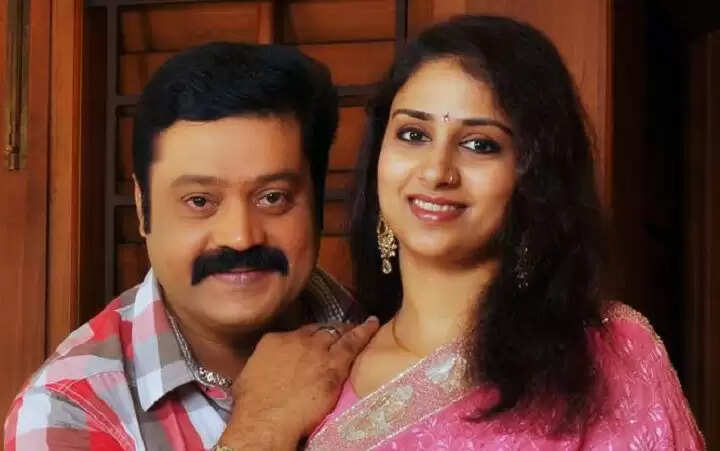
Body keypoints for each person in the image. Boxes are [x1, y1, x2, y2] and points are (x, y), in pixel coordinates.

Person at [307, 15, 705, 450]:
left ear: (534, 176)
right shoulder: (322, 375)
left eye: (480, 144)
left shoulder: (608, 356)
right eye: (414, 134)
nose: (437, 171)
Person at [4, 42, 379, 450]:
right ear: (143, 208)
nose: (240, 237)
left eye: (272, 197)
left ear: (318, 204)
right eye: (200, 201)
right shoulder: (68, 410)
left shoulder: (387, 329)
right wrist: (261, 428)